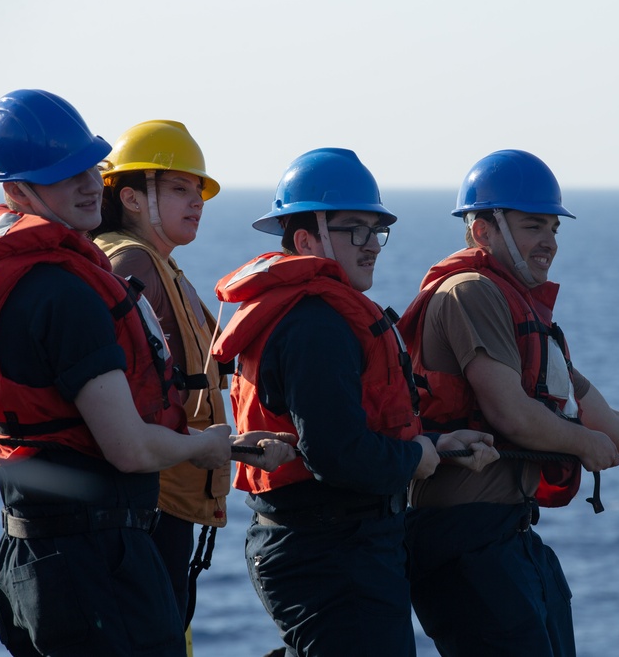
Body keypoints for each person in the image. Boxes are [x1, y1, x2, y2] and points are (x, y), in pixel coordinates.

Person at [0, 89, 285, 656]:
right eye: (60, 174)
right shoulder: (67, 290)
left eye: (87, 167)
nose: (83, 185)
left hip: (30, 553)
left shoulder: (22, 278)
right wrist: (209, 446)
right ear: (15, 191)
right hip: (95, 563)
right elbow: (128, 448)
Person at [398, 149, 619, 657]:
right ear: (483, 231)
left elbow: (604, 419)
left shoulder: (520, 312)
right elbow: (510, 413)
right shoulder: (470, 292)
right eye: (532, 227)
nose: (548, 242)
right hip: (464, 539)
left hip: (507, 537)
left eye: (553, 228)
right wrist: (581, 442)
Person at [211, 147, 498, 656]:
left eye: (376, 231)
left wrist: (436, 441)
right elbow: (336, 454)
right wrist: (415, 457)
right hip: (331, 554)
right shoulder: (314, 325)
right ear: (306, 239)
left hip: (329, 547)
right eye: (354, 230)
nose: (372, 246)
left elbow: (338, 432)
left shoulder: (312, 315)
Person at [91, 119, 247, 629]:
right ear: (132, 198)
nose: (197, 200)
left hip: (168, 488)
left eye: (198, 190)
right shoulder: (132, 261)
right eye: (179, 187)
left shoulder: (159, 264)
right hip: (150, 497)